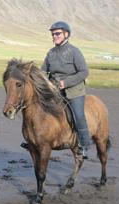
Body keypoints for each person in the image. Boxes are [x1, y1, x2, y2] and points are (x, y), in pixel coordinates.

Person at [21, 21, 91, 159]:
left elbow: (84, 72)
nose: (54, 36)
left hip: (74, 91)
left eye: (57, 34)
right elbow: (42, 73)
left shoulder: (74, 52)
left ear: (66, 34)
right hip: (55, 91)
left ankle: (83, 145)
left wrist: (66, 82)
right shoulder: (51, 53)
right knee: (38, 110)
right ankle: (34, 140)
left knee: (78, 115)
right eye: (53, 34)